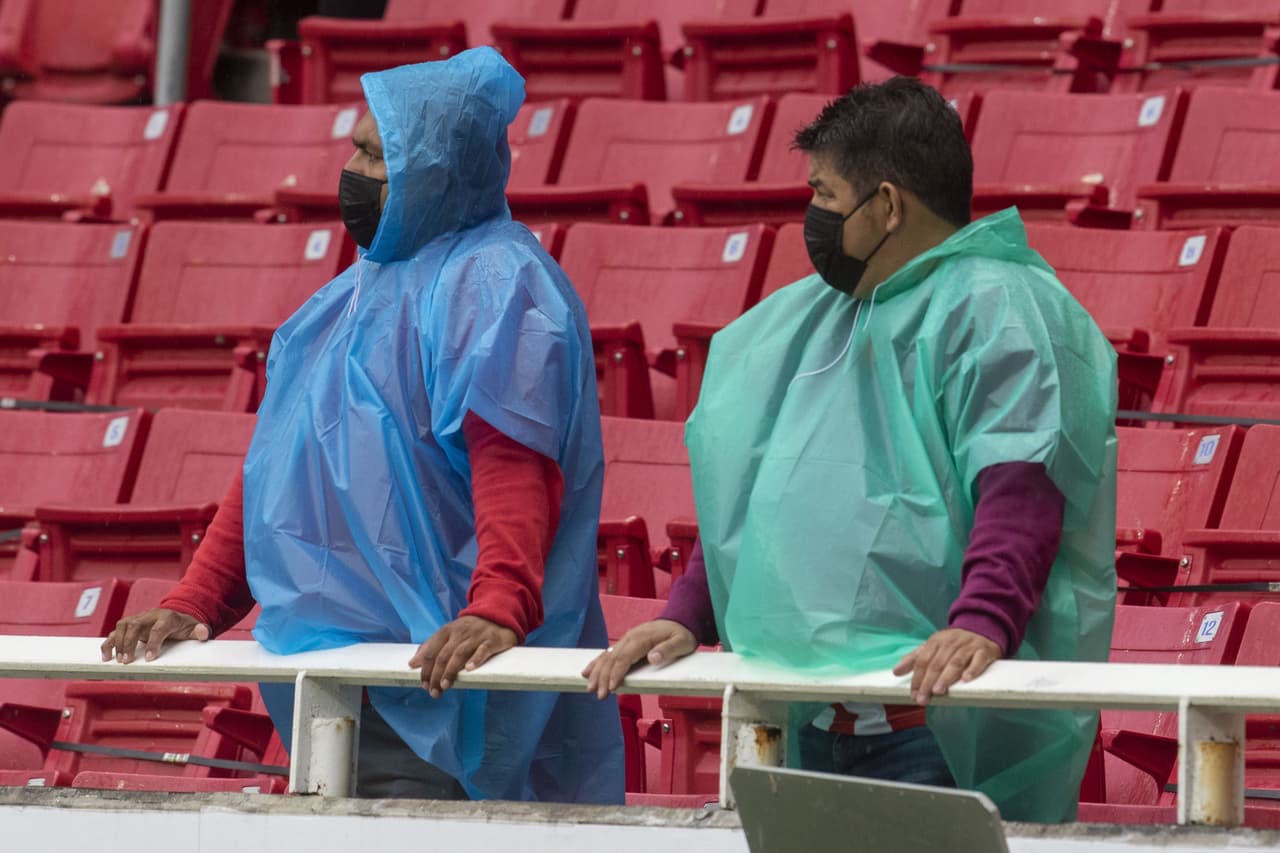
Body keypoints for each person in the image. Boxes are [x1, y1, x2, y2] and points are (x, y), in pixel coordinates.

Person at [585, 77, 1117, 822]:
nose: (816, 215)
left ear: (889, 205)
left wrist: (980, 619)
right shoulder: (817, 319)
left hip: (928, 729)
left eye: (826, 194)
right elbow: (756, 490)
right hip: (811, 727)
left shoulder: (997, 309)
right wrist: (690, 611)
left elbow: (1021, 481)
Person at [101, 48, 623, 804]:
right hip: (332, 684)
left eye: (376, 155)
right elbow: (277, 475)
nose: (353, 170)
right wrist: (196, 601)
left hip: (439, 681)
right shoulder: (344, 299)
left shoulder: (500, 282)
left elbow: (515, 460)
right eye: (353, 149)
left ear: (438, 166)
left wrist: (499, 605)